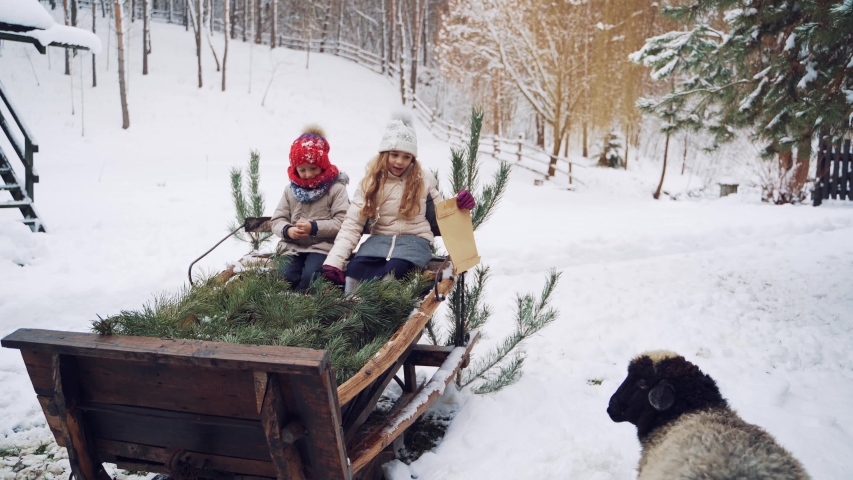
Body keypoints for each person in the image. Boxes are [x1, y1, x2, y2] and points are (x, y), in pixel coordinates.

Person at [321, 116, 474, 289]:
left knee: (392, 275)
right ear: (384, 153)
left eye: (406, 157)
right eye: (394, 155)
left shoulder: (422, 180)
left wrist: (459, 205)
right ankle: (352, 305)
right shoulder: (370, 183)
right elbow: (352, 224)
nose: (400, 161)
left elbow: (443, 214)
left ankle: (386, 306)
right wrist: (334, 262)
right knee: (355, 273)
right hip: (378, 243)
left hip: (414, 243)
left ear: (412, 159)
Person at [270, 126, 350, 290]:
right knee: (285, 277)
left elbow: (342, 221)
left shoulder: (336, 189)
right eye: (302, 170)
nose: (308, 174)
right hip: (292, 247)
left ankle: (307, 303)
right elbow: (277, 219)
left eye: (313, 168)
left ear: (323, 165)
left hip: (323, 247)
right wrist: (288, 230)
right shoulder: (290, 190)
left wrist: (314, 227)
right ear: (295, 169)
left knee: (311, 277)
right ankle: (288, 302)